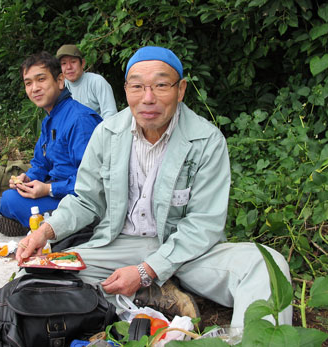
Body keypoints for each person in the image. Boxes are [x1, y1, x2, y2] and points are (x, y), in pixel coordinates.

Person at [15, 46, 293, 327]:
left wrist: (146, 270)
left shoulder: (207, 140)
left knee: (267, 265)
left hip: (186, 252)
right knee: (32, 279)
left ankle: (247, 337)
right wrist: (45, 231)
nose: (148, 98)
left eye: (161, 85)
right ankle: (147, 295)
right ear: (125, 90)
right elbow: (86, 200)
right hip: (119, 245)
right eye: (137, 86)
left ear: (181, 89)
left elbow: (203, 224)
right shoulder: (107, 133)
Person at [0, 51, 102, 237]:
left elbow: (92, 181)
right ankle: (35, 223)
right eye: (28, 83)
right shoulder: (49, 119)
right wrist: (27, 179)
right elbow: (41, 164)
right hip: (57, 191)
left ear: (60, 81)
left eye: (41, 79)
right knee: (8, 197)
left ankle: (64, 227)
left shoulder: (80, 119)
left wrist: (49, 189)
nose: (34, 88)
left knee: (7, 201)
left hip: (80, 200)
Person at [56, 44, 118, 119]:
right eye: (64, 63)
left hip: (97, 129)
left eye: (73, 62)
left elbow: (110, 114)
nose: (69, 67)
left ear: (83, 63)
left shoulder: (96, 82)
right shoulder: (61, 86)